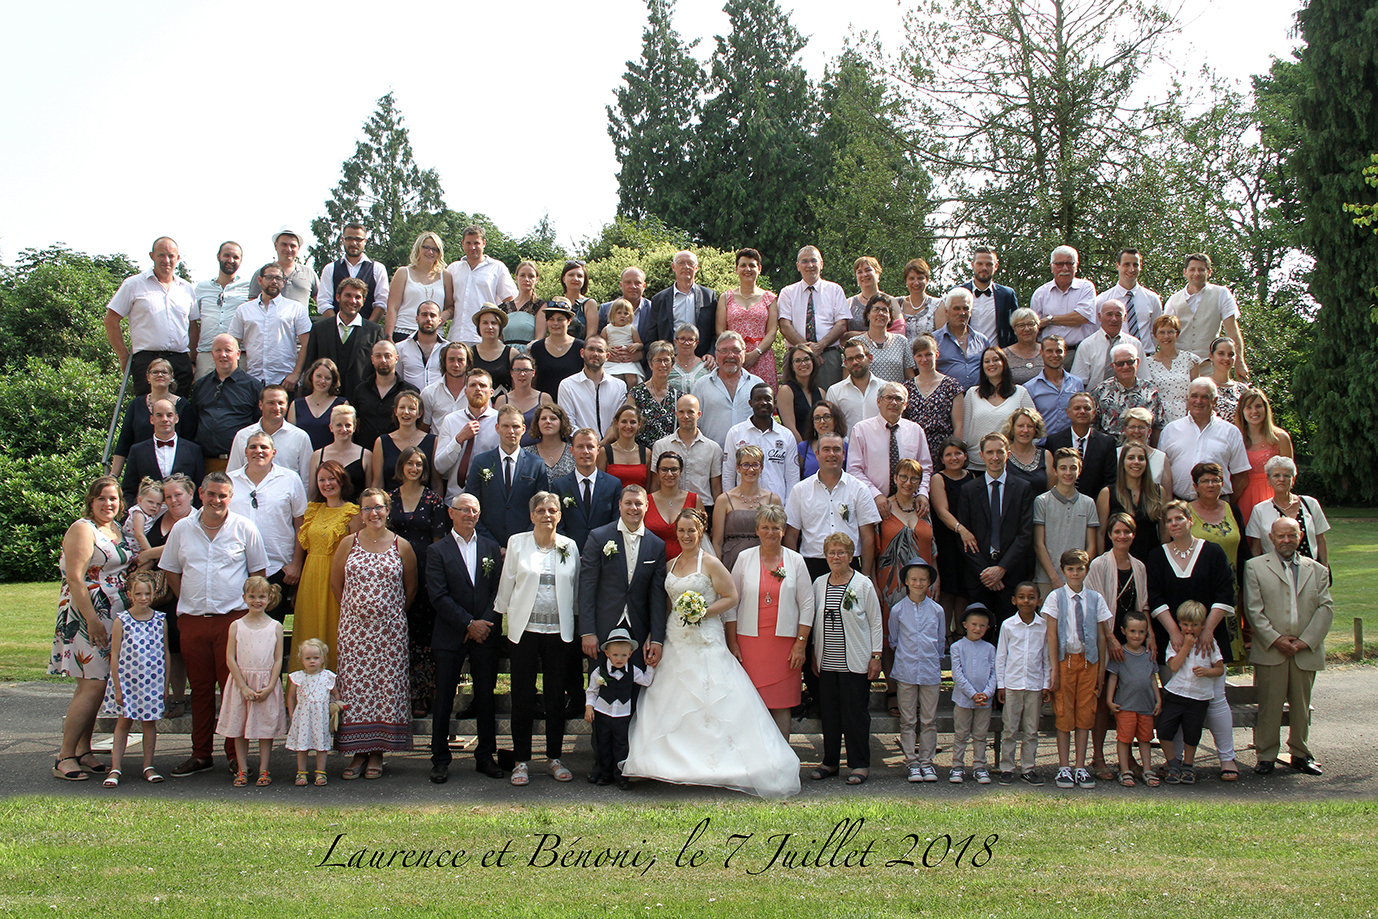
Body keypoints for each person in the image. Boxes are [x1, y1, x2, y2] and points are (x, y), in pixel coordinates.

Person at [624, 507, 799, 797]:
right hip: (676, 639)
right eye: (681, 531)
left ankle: (717, 763)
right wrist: (655, 636)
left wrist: (703, 612)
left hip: (706, 639)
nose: (686, 536)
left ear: (701, 531)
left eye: (691, 530)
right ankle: (667, 763)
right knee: (672, 698)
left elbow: (731, 597)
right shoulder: (670, 565)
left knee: (710, 698)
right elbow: (666, 606)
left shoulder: (711, 563)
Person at [159, 472, 268, 776]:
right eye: (211, 494)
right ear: (201, 494)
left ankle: (235, 755)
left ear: (231, 497)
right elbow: (171, 569)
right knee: (200, 690)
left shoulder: (244, 527)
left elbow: (258, 574)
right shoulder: (182, 528)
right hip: (193, 621)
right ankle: (201, 754)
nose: (216, 500)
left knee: (233, 689)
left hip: (232, 622)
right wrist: (188, 599)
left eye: (223, 495)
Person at [1146, 499, 1240, 781]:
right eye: (1169, 521)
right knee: (1175, 702)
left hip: (1209, 638)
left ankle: (1227, 759)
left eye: (1179, 518)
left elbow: (1225, 593)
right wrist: (1175, 633)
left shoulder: (1212, 552)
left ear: (1190, 520)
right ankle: (1175, 761)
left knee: (1216, 699)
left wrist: (1208, 630)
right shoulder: (1158, 556)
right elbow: (1156, 598)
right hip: (1173, 641)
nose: (1174, 524)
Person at [51, 477, 134, 781]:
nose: (108, 504)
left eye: (113, 498)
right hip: (87, 614)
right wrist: (92, 620)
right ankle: (64, 756)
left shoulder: (116, 529)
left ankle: (83, 750)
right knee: (93, 685)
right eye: (102, 498)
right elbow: (75, 577)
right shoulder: (83, 529)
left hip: (113, 615)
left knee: (97, 684)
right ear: (91, 501)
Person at [331, 488, 417, 779]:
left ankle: (378, 752)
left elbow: (410, 589)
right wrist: (357, 613)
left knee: (384, 691)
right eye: (367, 508)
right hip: (354, 634)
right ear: (360, 512)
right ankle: (358, 752)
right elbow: (336, 585)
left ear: (388, 510)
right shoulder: (348, 543)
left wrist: (387, 614)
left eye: (378, 507)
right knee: (355, 690)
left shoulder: (402, 546)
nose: (373, 513)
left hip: (389, 636)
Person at [498, 491, 582, 786]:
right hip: (524, 630)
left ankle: (554, 758)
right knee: (522, 694)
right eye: (541, 510)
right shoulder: (517, 543)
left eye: (552, 510)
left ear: (560, 515)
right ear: (532, 515)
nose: (547, 515)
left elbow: (575, 588)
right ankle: (521, 760)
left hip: (559, 631)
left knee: (555, 695)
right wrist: (500, 617)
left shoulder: (569, 546)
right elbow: (507, 583)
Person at [1245, 517, 1333, 776]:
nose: (1286, 540)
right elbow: (1253, 609)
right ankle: (1266, 755)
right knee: (1270, 705)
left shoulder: (1317, 569)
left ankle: (1300, 753)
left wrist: (1306, 641)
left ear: (1300, 536)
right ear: (1271, 538)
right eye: (1281, 536)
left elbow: (1325, 608)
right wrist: (1276, 639)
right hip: (1271, 648)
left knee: (1301, 706)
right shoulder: (1255, 567)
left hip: (1305, 649)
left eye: (1291, 535)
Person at [426, 493, 504, 783]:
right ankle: (440, 759)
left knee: (485, 697)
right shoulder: (438, 550)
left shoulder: (490, 547)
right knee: (445, 698)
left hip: (485, 634)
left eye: (474, 511)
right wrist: (468, 624)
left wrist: (484, 623)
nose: (469, 515)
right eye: (464, 510)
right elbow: (438, 595)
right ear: (451, 513)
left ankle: (485, 756)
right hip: (451, 633)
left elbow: (499, 590)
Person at [726, 504, 814, 737]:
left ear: (783, 531)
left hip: (785, 646)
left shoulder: (796, 561)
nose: (770, 532)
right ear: (757, 530)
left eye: (776, 527)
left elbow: (807, 604)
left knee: (781, 703)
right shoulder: (744, 558)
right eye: (765, 527)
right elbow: (732, 603)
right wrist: (732, 642)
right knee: (750, 703)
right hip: (749, 642)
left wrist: (801, 643)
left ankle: (782, 755)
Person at [1085, 512, 1152, 779]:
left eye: (1127, 531)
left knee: (1129, 700)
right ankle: (1098, 757)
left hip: (1130, 641)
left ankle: (1128, 756)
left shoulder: (1139, 566)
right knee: (1103, 699)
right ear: (1110, 535)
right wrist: (1110, 638)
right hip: (1105, 640)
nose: (1122, 536)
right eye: (1117, 532)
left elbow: (1143, 605)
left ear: (1133, 535)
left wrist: (1149, 637)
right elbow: (1094, 606)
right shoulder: (1099, 564)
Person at [1043, 548, 1112, 789]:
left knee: (1085, 714)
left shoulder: (1095, 598)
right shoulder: (1055, 597)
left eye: (1079, 569)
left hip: (1088, 662)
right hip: (1065, 662)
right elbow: (1052, 634)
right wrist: (1054, 668)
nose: (1075, 573)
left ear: (1086, 570)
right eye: (1070, 569)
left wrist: (1100, 669)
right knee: (1063, 713)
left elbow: (1101, 636)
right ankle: (1064, 767)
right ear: (1063, 571)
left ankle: (1080, 766)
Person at [388, 446, 449, 717]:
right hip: (393, 572)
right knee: (397, 634)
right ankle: (394, 692)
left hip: (425, 572)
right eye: (410, 463)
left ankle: (422, 694)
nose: (414, 468)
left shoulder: (433, 501)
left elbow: (438, 542)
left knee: (423, 635)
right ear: (401, 466)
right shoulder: (389, 499)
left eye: (419, 464)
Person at [956, 432, 1035, 632]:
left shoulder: (1023, 488)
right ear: (981, 455)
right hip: (979, 576)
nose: (995, 457)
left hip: (1011, 575)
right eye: (990, 452)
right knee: (979, 635)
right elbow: (963, 536)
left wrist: (1001, 569)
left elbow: (1025, 535)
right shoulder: (969, 490)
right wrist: (986, 572)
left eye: (1000, 452)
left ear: (1008, 453)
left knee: (1009, 635)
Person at [103, 236, 198, 397]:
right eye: (161, 255)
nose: (166, 260)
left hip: (180, 361)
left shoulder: (186, 288)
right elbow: (111, 320)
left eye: (171, 256)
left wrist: (192, 361)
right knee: (147, 408)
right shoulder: (133, 284)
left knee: (179, 409)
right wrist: (124, 356)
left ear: (177, 258)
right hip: (147, 360)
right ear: (152, 256)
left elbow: (193, 326)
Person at [215, 577, 287, 787]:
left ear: (269, 598)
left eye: (261, 596)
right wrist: (242, 686)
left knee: (265, 728)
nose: (257, 601)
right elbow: (230, 658)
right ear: (244, 598)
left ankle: (264, 769)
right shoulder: (236, 626)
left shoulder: (275, 626)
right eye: (252, 596)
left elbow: (278, 659)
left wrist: (271, 686)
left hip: (265, 683)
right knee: (239, 727)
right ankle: (242, 768)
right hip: (241, 684)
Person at [228, 431, 307, 621]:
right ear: (245, 452)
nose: (258, 451)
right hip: (237, 568)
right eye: (253, 447)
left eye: (264, 447)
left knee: (271, 628)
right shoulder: (230, 481)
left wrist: (296, 564)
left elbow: (301, 524)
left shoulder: (290, 479)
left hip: (277, 568)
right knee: (239, 628)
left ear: (274, 452)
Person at [99, 571, 167, 787]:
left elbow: (165, 653)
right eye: (138, 594)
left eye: (147, 593)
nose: (143, 598)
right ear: (130, 595)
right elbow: (115, 654)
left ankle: (148, 765)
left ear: (153, 594)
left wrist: (166, 685)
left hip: (152, 682)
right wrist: (118, 688)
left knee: (149, 724)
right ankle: (115, 767)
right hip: (128, 682)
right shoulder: (122, 620)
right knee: (123, 722)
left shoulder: (160, 620)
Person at [294, 460, 363, 671]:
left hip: (337, 578)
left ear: (342, 481)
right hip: (310, 579)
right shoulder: (313, 510)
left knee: (334, 629)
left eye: (332, 478)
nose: (327, 484)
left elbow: (358, 553)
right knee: (309, 627)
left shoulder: (353, 513)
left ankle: (336, 685)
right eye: (321, 479)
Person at [785, 433, 881, 580]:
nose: (831, 454)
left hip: (850, 565)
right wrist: (795, 574)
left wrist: (866, 575)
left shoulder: (859, 489)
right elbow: (791, 535)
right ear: (817, 455)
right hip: (811, 565)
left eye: (836, 449)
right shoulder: (800, 490)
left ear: (844, 454)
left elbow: (867, 537)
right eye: (826, 449)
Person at [139, 473, 196, 719]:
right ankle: (157, 696)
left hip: (182, 591)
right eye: (168, 496)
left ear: (191, 494)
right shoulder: (155, 517)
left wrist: (148, 554)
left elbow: (182, 546)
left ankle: (183, 697)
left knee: (180, 648)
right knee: (160, 648)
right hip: (154, 594)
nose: (173, 501)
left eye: (178, 495)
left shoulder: (197, 520)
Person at [887, 556, 945, 783]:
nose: (918, 584)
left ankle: (927, 762)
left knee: (929, 719)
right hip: (906, 670)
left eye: (923, 580)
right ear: (906, 582)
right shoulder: (898, 610)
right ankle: (911, 761)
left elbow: (940, 641)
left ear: (929, 581)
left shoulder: (937, 611)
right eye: (914, 579)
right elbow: (894, 639)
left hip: (930, 671)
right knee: (908, 719)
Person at [1156, 600, 1224, 785]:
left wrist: (1207, 671)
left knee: (1192, 734)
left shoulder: (1210, 644)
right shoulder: (1176, 642)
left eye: (1194, 625)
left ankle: (1188, 765)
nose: (1189, 629)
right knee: (1163, 730)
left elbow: (1219, 669)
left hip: (1198, 697)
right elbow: (1173, 666)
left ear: (1203, 625)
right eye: (1185, 624)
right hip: (1176, 694)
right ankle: (1173, 764)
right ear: (1179, 624)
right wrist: (1186, 647)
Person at [465, 404, 551, 549]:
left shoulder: (536, 464)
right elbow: (471, 504)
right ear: (497, 428)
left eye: (515, 426)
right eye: (505, 426)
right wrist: (492, 544)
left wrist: (522, 542)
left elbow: (542, 507)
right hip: (487, 543)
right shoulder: (481, 462)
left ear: (523, 429)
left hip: (525, 544)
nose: (511, 431)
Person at [846, 382, 932, 518]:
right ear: (878, 401)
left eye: (898, 399)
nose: (894, 402)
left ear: (905, 405)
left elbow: (925, 468)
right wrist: (876, 495)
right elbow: (854, 470)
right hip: (872, 503)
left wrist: (923, 493)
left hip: (910, 505)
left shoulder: (916, 431)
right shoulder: (861, 430)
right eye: (889, 397)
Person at [585, 629, 656, 788]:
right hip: (602, 713)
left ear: (630, 654)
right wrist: (589, 707)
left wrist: (650, 666)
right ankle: (605, 774)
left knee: (621, 745)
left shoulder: (633, 671)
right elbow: (592, 691)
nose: (619, 659)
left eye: (624, 655)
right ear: (607, 653)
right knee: (603, 744)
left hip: (622, 716)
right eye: (615, 655)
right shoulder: (599, 671)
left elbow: (646, 681)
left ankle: (621, 776)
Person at [1158, 378, 1251, 501]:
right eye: (1194, 396)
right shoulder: (1170, 430)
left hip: (1217, 504)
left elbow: (1241, 477)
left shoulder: (1231, 432)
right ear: (1187, 398)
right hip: (1179, 504)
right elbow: (1161, 472)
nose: (1199, 401)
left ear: (1215, 401)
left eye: (1205, 397)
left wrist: (1225, 505)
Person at [995, 582, 1050, 785]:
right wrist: (1001, 685)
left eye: (1031, 597)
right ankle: (1007, 767)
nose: (1026, 601)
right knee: (1009, 728)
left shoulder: (1044, 626)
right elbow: (1001, 656)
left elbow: (1047, 658)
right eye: (1022, 597)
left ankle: (1028, 768)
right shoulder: (1008, 625)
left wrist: (1046, 684)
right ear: (1014, 600)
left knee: (1031, 730)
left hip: (1034, 685)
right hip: (1012, 684)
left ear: (1039, 601)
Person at [1165, 253, 1249, 379]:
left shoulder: (1221, 293)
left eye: (1201, 269)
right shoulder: (1173, 300)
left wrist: (1239, 362)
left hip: (1211, 366)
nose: (1197, 273)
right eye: (1192, 269)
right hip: (1179, 367)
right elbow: (1166, 335)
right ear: (1185, 272)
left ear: (1209, 272)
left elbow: (1232, 329)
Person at [228, 263, 311, 390]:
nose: (274, 282)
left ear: (283, 282)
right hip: (252, 379)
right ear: (260, 280)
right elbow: (232, 344)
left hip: (285, 381)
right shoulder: (244, 310)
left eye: (278, 278)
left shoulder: (295, 308)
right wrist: (236, 375)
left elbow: (307, 343)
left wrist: (296, 374)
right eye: (269, 277)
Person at [778, 246, 851, 390]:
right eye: (804, 261)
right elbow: (785, 326)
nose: (810, 265)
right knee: (794, 398)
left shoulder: (835, 290)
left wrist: (820, 346)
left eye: (813, 260)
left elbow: (842, 324)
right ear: (798, 266)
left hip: (828, 357)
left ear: (821, 264)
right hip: (795, 356)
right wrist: (808, 351)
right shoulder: (787, 292)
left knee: (829, 399)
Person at [302, 277, 384, 403]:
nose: (352, 301)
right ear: (338, 297)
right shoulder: (319, 329)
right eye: (348, 295)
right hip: (324, 400)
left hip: (361, 401)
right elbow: (310, 366)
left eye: (357, 297)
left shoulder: (374, 331)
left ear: (363, 301)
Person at [1103, 610, 1162, 787]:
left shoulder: (1149, 654)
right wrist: (1109, 700)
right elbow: (1113, 678)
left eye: (1141, 632)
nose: (1137, 636)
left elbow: (1153, 678)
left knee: (1145, 738)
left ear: (1146, 633)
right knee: (1124, 738)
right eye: (1133, 631)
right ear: (1124, 631)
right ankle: (1124, 770)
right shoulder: (1119, 654)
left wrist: (1158, 699)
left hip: (1146, 706)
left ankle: (1147, 769)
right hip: (1125, 706)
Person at [191, 334, 262, 472]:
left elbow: (259, 424)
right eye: (218, 350)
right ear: (212, 354)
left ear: (238, 354)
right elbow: (194, 420)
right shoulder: (201, 385)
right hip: (205, 462)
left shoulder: (253, 387)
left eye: (228, 350)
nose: (223, 355)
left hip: (240, 464)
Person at [111, 358, 192, 478]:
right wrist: (113, 476)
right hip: (141, 470)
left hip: (176, 474)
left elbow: (190, 444)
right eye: (155, 372)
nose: (160, 375)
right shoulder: (136, 405)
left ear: (171, 377)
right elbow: (124, 442)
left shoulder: (183, 405)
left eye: (164, 372)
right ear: (148, 377)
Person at [1033, 449, 1100, 591]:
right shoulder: (1042, 501)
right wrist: (1054, 578)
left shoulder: (1088, 503)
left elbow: (1091, 545)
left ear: (1079, 470)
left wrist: (1079, 574)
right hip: (1047, 580)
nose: (1068, 473)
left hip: (1078, 581)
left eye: (1073, 468)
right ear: (1055, 470)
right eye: (1063, 468)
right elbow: (1039, 543)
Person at [929, 438, 974, 641]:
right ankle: (945, 635)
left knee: (964, 589)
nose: (954, 458)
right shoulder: (938, 479)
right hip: (947, 538)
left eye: (958, 453)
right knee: (948, 589)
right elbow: (941, 511)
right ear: (941, 458)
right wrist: (961, 529)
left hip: (968, 540)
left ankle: (961, 633)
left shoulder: (972, 477)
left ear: (965, 456)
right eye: (948, 454)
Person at [722, 383, 799, 503]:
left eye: (768, 399)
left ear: (775, 402)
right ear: (750, 403)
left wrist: (788, 508)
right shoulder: (735, 433)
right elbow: (728, 474)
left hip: (776, 506)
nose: (763, 403)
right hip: (743, 505)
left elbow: (792, 476)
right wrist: (731, 504)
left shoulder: (786, 436)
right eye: (758, 399)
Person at [1245, 455, 1330, 564]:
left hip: (1309, 568)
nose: (1281, 479)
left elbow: (1321, 540)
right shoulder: (1260, 510)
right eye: (1276, 475)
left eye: (1286, 476)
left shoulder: (1311, 504)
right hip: (1275, 569)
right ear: (1269, 480)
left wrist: (1324, 568)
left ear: (1293, 480)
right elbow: (1256, 547)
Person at [121, 398, 205, 506]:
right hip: (148, 514)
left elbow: (199, 490)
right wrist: (137, 513)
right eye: (159, 415)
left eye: (169, 415)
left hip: (184, 513)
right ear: (151, 419)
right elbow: (129, 490)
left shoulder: (194, 450)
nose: (165, 419)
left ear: (176, 418)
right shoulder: (137, 451)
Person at [962, 346, 1035, 470]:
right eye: (987, 361)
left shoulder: (1020, 393)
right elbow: (964, 431)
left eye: (996, 360)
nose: (991, 364)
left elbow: (1034, 428)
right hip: (976, 464)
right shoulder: (972, 394)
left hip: (1011, 464)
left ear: (1004, 363)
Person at [553, 428, 623, 553]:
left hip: (604, 554)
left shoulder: (613, 484)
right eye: (580, 447)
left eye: (590, 447)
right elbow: (557, 524)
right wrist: (569, 550)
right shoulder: (559, 486)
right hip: (569, 553)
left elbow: (616, 521)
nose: (585, 451)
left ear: (598, 450)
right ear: (571, 450)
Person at [649, 395, 723, 515]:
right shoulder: (661, 445)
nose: (686, 416)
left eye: (690, 412)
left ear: (698, 414)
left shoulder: (713, 448)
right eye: (681, 412)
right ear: (676, 414)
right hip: (668, 508)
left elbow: (716, 487)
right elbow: (655, 484)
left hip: (703, 508)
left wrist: (717, 516)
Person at [713, 445, 783, 570]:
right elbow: (717, 543)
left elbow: (778, 538)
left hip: (764, 562)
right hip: (731, 562)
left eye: (755, 465)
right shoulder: (724, 500)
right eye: (745, 465)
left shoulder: (773, 500)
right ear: (738, 468)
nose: (750, 470)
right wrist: (717, 571)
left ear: (761, 468)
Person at [949, 606, 997, 785]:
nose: (978, 629)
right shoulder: (957, 647)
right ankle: (957, 765)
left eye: (982, 625)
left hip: (984, 701)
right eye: (974, 624)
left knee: (980, 734)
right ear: (965, 625)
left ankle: (979, 766)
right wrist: (972, 694)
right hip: (963, 700)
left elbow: (994, 673)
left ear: (987, 628)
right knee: (961, 734)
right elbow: (957, 674)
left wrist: (986, 693)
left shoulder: (990, 649)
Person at [1096, 442, 1166, 563]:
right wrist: (1102, 563)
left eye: (1141, 458)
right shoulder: (1107, 493)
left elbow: (1163, 531)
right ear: (1122, 463)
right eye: (1131, 458)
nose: (1136, 462)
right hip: (1117, 562)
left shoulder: (1158, 492)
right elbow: (1101, 533)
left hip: (1150, 560)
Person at [226, 386, 312, 485]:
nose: (276, 408)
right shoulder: (243, 436)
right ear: (260, 405)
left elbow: (307, 479)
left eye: (281, 403)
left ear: (287, 405)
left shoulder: (300, 437)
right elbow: (233, 475)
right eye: (271, 403)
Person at [446, 225, 516, 345]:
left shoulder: (497, 267)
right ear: (462, 243)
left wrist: (500, 330)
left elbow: (510, 300)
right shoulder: (453, 268)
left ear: (484, 243)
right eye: (468, 243)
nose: (472, 247)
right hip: (457, 336)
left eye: (476, 243)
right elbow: (447, 303)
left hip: (485, 338)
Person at [1235, 388, 1294, 528]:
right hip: (1244, 495)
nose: (1254, 411)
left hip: (1273, 494)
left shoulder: (1280, 437)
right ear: (1242, 411)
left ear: (1266, 409)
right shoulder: (1236, 438)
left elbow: (1290, 473)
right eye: (1249, 407)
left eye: (1258, 406)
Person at [285, 637, 340, 787]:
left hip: (320, 717)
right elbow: (290, 696)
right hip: (303, 717)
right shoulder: (298, 677)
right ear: (301, 660)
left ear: (323, 658)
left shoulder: (327, 676)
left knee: (321, 745)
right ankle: (301, 772)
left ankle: (320, 772)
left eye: (315, 658)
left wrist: (335, 707)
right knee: (302, 745)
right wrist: (291, 713)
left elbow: (335, 693)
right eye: (308, 658)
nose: (312, 661)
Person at [434, 369, 500, 493]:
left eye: (482, 385)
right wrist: (458, 440)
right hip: (456, 495)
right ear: (465, 391)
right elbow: (440, 466)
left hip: (490, 495)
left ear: (491, 392)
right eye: (473, 385)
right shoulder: (450, 420)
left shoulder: (500, 421)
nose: (478, 389)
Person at [191, 241, 250, 379]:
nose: (231, 260)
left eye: (235, 257)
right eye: (226, 255)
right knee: (205, 392)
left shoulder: (248, 288)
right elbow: (192, 323)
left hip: (238, 355)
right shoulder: (201, 288)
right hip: (207, 354)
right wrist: (192, 357)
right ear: (218, 256)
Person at [693, 332, 763, 448]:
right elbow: (694, 424)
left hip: (750, 456)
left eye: (736, 350)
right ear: (716, 354)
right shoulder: (701, 385)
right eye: (724, 351)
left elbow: (765, 423)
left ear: (744, 353)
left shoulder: (757, 385)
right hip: (712, 455)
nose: (730, 355)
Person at [650, 250, 719, 366]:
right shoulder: (659, 299)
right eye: (681, 262)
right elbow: (652, 334)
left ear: (696, 268)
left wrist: (711, 353)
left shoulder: (709, 296)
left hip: (702, 361)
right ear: (673, 267)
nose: (686, 266)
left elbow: (715, 331)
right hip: (669, 362)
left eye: (690, 263)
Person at [349, 340, 419, 454]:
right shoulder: (361, 390)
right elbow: (357, 424)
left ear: (396, 359)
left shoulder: (409, 391)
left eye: (388, 356)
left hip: (398, 454)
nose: (383, 360)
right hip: (365, 453)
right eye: (378, 356)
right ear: (372, 359)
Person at [904, 334, 965, 462]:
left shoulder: (952, 386)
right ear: (914, 357)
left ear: (937, 355)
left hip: (943, 452)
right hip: (915, 450)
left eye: (928, 354)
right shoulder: (907, 388)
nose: (924, 359)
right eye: (919, 355)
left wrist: (953, 455)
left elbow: (958, 426)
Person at [1044, 392, 1117, 499]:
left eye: (1087, 408)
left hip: (1095, 502)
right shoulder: (1054, 441)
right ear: (1068, 412)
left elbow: (1109, 480)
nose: (1082, 412)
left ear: (1094, 413)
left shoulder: (1106, 442)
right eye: (1077, 408)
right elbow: (1051, 477)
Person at [318, 223, 389, 326]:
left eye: (358, 239)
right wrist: (337, 328)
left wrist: (367, 328)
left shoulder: (378, 269)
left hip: (367, 331)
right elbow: (324, 302)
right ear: (343, 240)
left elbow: (382, 303)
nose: (353, 243)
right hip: (335, 331)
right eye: (349, 238)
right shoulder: (330, 269)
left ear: (365, 241)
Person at [386, 232, 451, 343]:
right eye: (426, 247)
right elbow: (392, 308)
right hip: (404, 332)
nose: (430, 252)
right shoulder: (403, 272)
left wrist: (445, 315)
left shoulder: (445, 276)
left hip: (434, 334)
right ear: (418, 248)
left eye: (435, 249)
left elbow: (451, 307)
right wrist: (388, 337)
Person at [1090, 344, 1163, 444]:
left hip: (1142, 450)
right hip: (1111, 450)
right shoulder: (1101, 391)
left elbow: (1158, 425)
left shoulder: (1150, 390)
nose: (1125, 367)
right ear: (1113, 366)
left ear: (1137, 362)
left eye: (1130, 362)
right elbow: (1092, 427)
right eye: (1120, 363)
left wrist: (1152, 450)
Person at [1070, 299, 1148, 391]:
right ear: (1100, 317)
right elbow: (1079, 382)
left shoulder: (1134, 344)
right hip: (1094, 397)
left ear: (1124, 317)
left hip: (1129, 397)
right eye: (1109, 314)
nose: (1114, 319)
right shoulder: (1087, 345)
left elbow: (1144, 378)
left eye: (1118, 315)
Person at [1030, 245, 1097, 352]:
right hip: (1049, 354)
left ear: (1076, 266)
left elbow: (1082, 317)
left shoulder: (1086, 287)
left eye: (1070, 263)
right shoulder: (1040, 293)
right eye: (1059, 264)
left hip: (1079, 351)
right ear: (1051, 267)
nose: (1065, 268)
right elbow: (1035, 327)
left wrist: (1049, 320)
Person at [559, 335, 628, 438]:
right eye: (591, 349)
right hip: (579, 445)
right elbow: (568, 424)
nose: (595, 354)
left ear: (607, 356)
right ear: (582, 353)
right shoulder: (567, 385)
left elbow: (618, 422)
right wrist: (590, 443)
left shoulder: (619, 386)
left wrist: (604, 443)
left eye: (600, 350)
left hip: (610, 444)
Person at [1097, 248, 1162, 351]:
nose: (1131, 269)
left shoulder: (1152, 299)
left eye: (1135, 265)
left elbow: (1157, 331)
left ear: (1140, 267)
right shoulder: (1103, 300)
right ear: (1117, 266)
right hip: (1116, 357)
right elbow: (1098, 332)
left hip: (1146, 356)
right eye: (1126, 264)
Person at [372, 391, 437, 492]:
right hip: (390, 500)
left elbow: (436, 483)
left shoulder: (433, 441)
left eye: (411, 408)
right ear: (395, 411)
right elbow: (378, 483)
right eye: (402, 407)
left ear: (419, 413)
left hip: (424, 500)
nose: (406, 412)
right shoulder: (381, 442)